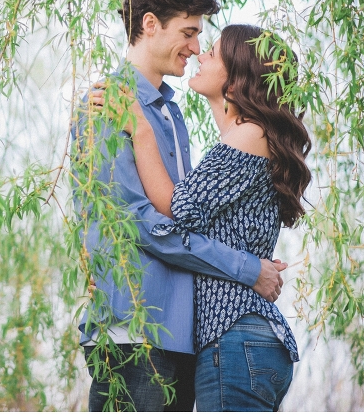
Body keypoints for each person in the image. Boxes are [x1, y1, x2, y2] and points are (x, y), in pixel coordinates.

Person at [73, 0, 288, 412]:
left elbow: (183, 216)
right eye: (188, 33)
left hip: (185, 341)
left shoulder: (172, 113)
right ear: (150, 24)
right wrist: (248, 268)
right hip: (136, 331)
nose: (194, 47)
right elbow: (139, 223)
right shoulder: (106, 104)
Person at [115, 24, 310, 411]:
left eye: (214, 53)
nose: (200, 53)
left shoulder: (249, 132)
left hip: (235, 338)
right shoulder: (248, 137)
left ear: (236, 83)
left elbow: (180, 209)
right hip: (241, 341)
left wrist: (140, 131)